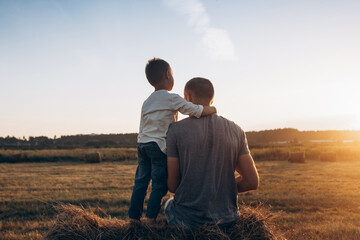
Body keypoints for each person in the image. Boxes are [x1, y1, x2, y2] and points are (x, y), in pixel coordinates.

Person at [128, 59, 217, 224]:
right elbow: (193, 109)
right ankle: (150, 219)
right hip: (158, 146)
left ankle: (134, 218)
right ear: (168, 75)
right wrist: (211, 109)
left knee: (140, 182)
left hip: (143, 145)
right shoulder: (171, 98)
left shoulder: (146, 102)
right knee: (159, 184)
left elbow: (142, 125)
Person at [165, 77, 259, 229]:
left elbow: (173, 186)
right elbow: (251, 181)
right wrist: (220, 189)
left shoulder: (175, 131)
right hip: (227, 220)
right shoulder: (236, 130)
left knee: (169, 203)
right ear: (212, 99)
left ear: (188, 97)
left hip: (188, 221)